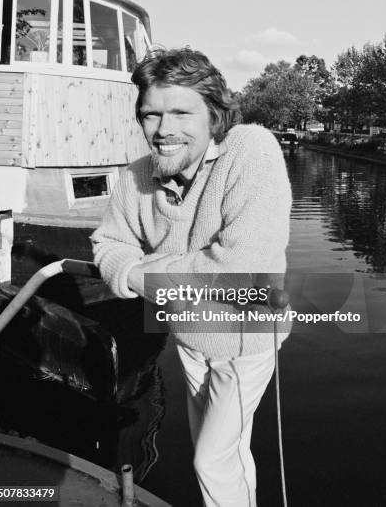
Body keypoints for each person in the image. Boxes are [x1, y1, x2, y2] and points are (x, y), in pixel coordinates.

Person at [91, 47, 292, 507]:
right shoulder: (136, 176)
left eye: (182, 112)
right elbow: (108, 242)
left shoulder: (251, 149)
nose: (163, 130)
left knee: (213, 461)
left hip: (246, 340)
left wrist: (141, 277)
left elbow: (243, 272)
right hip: (188, 336)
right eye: (151, 114)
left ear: (214, 116)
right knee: (226, 453)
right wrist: (134, 266)